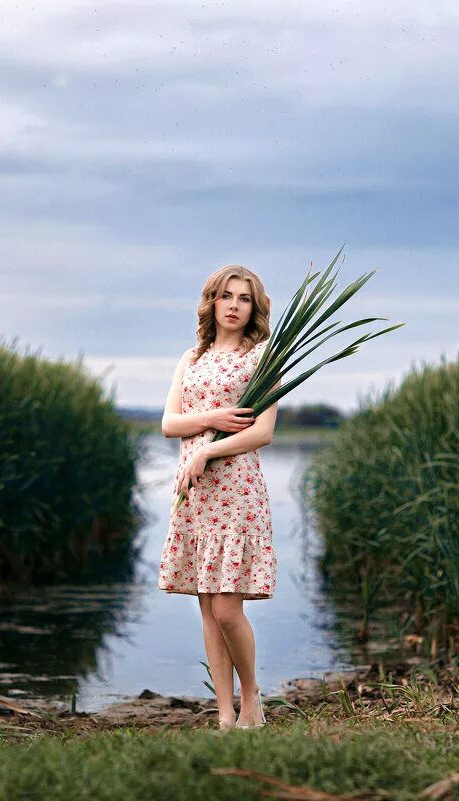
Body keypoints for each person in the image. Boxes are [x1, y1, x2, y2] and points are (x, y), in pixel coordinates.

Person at [158, 264, 279, 730]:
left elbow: (262, 433)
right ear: (211, 301)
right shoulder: (192, 358)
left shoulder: (265, 357)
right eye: (225, 296)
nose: (233, 305)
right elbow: (169, 424)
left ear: (255, 307)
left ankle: (252, 698)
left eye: (244, 298)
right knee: (207, 607)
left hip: (236, 487)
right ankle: (225, 714)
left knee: (228, 607)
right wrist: (212, 417)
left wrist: (208, 448)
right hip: (196, 492)